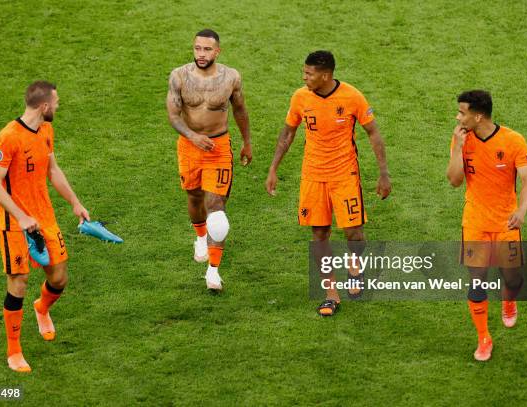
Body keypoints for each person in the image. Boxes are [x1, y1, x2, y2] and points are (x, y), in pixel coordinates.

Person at [266, 50, 391, 316]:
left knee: (353, 233)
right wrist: (273, 168)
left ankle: (356, 265)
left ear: (325, 75)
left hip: (345, 175)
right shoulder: (300, 97)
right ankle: (331, 293)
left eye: (309, 73)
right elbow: (288, 132)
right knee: (319, 234)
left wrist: (383, 174)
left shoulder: (352, 96)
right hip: (312, 176)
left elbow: (373, 133)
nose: (304, 77)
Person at [0, 81, 90, 372]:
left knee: (59, 278)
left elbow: (52, 170)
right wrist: (20, 216)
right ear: (44, 106)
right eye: (55, 102)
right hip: (14, 222)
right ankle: (14, 351)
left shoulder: (46, 130)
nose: (58, 106)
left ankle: (42, 308)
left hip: (43, 217)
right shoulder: (8, 137)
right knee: (17, 282)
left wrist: (75, 202)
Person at [446, 90, 527, 361]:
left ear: (478, 115)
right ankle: (484, 338)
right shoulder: (461, 137)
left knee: (513, 279)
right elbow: (454, 180)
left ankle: (509, 300)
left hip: (506, 222)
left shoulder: (513, 141)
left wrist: (521, 210)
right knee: (477, 283)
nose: (458, 117)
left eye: (462, 112)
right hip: (475, 222)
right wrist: (459, 148)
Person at [166, 29, 252, 291]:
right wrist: (193, 136)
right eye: (197, 49)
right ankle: (200, 237)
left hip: (218, 148)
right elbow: (173, 114)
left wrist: (247, 142)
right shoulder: (179, 76)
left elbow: (240, 110)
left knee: (216, 208)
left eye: (206, 49)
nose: (201, 54)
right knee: (194, 197)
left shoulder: (231, 78)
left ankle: (213, 271)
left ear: (217, 51)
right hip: (189, 148)